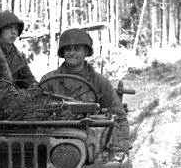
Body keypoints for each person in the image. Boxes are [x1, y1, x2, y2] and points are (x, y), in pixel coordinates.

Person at [40, 28, 130, 156]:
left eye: (76, 49)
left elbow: (119, 118)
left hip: (92, 148)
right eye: (67, 49)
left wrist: (118, 148)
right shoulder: (49, 81)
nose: (71, 53)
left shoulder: (99, 82)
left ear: (86, 51)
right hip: (53, 147)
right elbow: (34, 116)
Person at [0, 11, 37, 88]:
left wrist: (38, 89)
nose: (14, 32)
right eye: (9, 28)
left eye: (16, 28)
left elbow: (30, 81)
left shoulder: (19, 59)